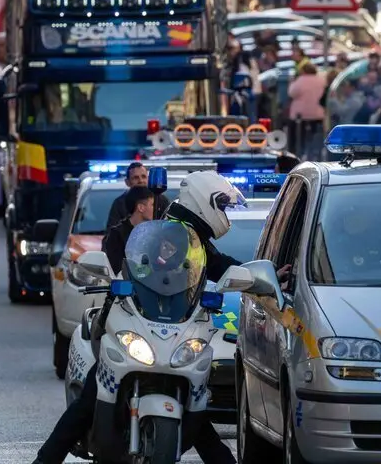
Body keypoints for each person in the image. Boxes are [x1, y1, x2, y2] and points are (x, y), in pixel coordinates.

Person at [32, 170, 269, 464]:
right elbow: (133, 268)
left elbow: (219, 266)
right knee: (89, 400)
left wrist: (259, 276)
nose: (224, 214)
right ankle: (43, 460)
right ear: (202, 201)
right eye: (221, 206)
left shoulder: (194, 237)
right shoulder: (165, 232)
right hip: (132, 320)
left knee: (193, 403)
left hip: (172, 326)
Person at [101, 186, 155, 274]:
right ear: (141, 207)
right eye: (152, 205)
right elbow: (117, 268)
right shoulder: (117, 234)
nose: (155, 208)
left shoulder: (153, 233)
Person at [104, 163, 170, 230]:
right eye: (136, 178)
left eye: (143, 176)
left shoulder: (161, 200)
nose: (141, 181)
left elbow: (169, 229)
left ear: (148, 179)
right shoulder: (119, 203)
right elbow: (111, 232)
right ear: (127, 182)